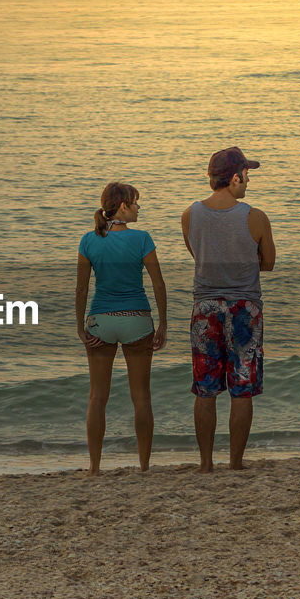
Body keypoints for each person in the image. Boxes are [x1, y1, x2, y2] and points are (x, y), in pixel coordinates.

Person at [181, 147, 275, 473]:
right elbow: (269, 262)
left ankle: (206, 464)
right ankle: (235, 463)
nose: (248, 181)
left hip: (205, 306)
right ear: (235, 178)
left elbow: (198, 254)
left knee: (205, 389)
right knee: (242, 388)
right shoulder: (255, 217)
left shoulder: (190, 214)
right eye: (246, 175)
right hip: (244, 307)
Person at [76, 182, 167, 475]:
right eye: (136, 203)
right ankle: (143, 465)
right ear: (123, 206)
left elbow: (81, 289)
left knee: (97, 396)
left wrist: (80, 327)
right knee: (141, 396)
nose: (139, 208)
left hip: (101, 320)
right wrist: (163, 323)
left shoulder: (88, 241)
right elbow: (158, 284)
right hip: (137, 320)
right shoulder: (142, 239)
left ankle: (94, 467)